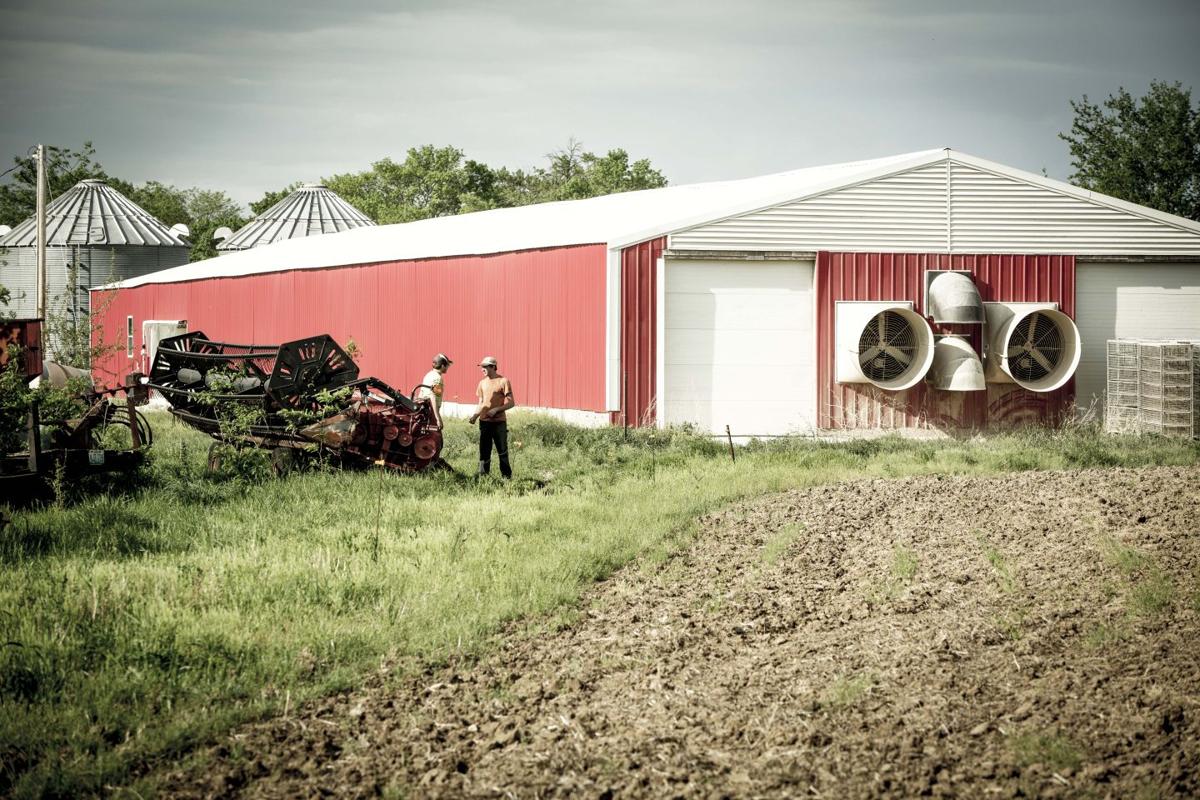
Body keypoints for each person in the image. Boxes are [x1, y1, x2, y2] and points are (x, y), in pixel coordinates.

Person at [468, 356, 515, 478]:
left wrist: (497, 410)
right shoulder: (482, 383)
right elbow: (481, 403)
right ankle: (483, 476)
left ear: (493, 367)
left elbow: (511, 403)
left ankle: (506, 477)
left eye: (485, 366)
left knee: (502, 451)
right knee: (484, 451)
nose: (482, 369)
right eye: (481, 367)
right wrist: (475, 416)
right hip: (484, 422)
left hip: (499, 423)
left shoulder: (503, 381)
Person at [417, 353, 452, 427]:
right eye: (447, 366)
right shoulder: (437, 378)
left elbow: (421, 392)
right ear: (442, 366)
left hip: (425, 410)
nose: (447, 368)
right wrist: (437, 418)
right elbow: (433, 397)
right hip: (431, 411)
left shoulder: (428, 375)